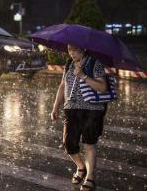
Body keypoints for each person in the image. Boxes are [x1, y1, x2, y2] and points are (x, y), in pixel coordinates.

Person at [51, 44, 108, 191]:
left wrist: (83, 76)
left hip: (92, 110)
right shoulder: (69, 63)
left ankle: (90, 178)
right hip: (71, 109)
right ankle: (80, 166)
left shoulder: (95, 63)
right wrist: (55, 106)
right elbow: (63, 85)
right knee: (69, 143)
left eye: (75, 50)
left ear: (84, 49)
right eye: (70, 49)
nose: (72, 53)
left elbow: (102, 87)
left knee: (89, 144)